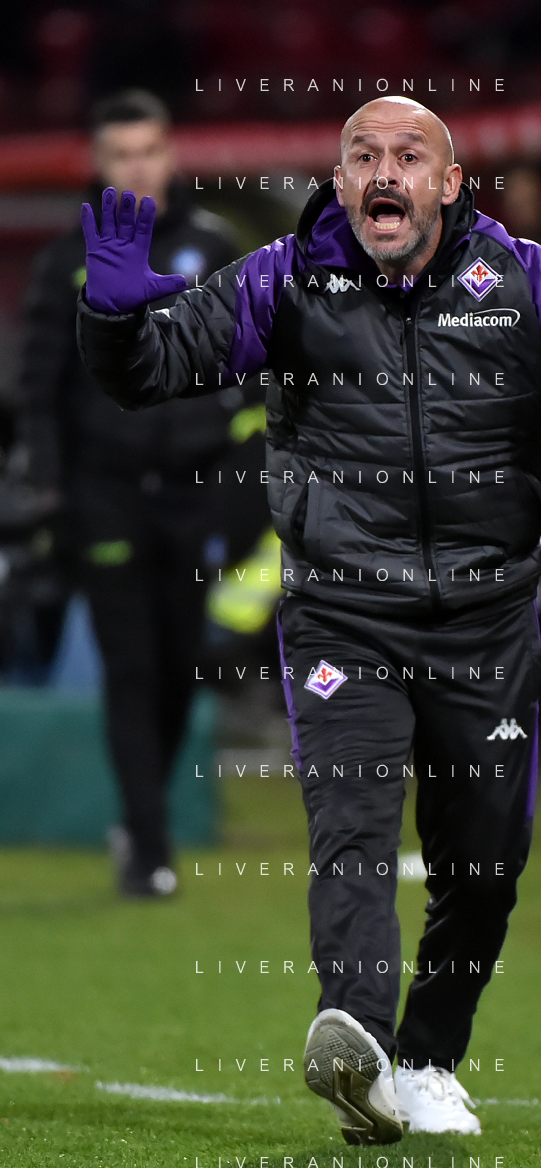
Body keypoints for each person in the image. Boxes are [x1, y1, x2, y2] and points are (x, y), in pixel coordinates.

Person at [74, 97, 541, 1141]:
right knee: (353, 828)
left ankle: (427, 1057)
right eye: (363, 156)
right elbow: (152, 369)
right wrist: (112, 324)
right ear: (341, 183)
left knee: (485, 865)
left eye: (408, 155)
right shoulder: (279, 280)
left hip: (487, 623)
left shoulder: (527, 278)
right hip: (343, 614)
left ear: (449, 182)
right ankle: (356, 1036)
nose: (384, 171)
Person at [18, 89, 249, 898]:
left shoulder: (214, 247)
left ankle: (139, 823)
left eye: (149, 150)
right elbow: (40, 387)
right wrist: (49, 485)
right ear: (98, 161)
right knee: (131, 665)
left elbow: (252, 364)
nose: (138, 167)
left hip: (193, 489)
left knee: (181, 665)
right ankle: (148, 845)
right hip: (104, 490)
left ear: (171, 153)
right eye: (121, 154)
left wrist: (243, 473)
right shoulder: (65, 260)